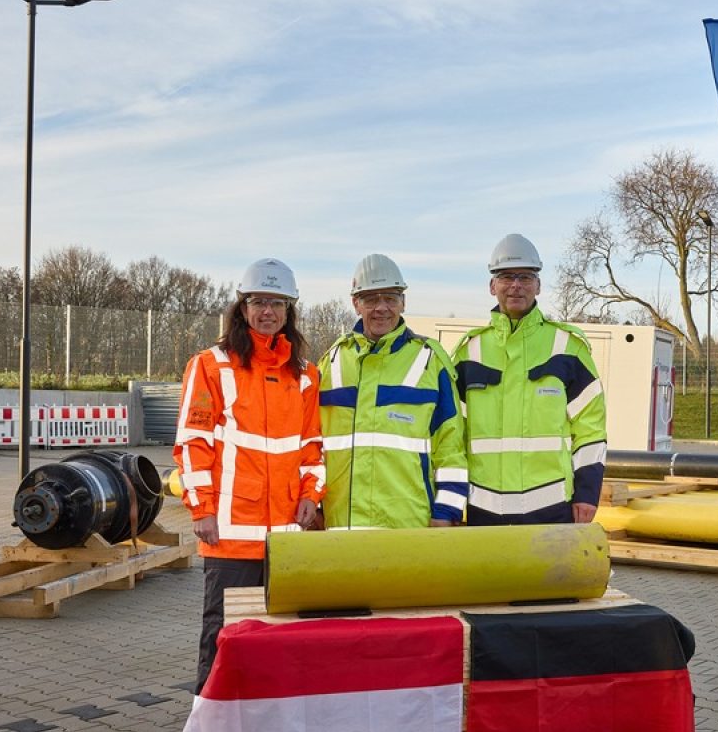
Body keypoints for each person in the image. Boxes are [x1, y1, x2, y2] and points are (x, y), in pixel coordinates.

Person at [173, 258, 323, 692]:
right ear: (242, 307)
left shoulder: (306, 375)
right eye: (258, 301)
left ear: (288, 311)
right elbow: (192, 442)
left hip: (286, 535)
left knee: (279, 633)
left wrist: (313, 494)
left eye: (277, 303)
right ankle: (213, 719)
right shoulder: (211, 365)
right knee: (223, 633)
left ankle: (268, 717)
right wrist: (200, 509)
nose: (267, 311)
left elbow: (312, 446)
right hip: (230, 533)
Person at [454, 234, 607, 525]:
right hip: (482, 508)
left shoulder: (568, 347)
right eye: (506, 277)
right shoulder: (467, 353)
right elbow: (450, 436)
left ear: (538, 285)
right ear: (492, 286)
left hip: (551, 506)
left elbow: (591, 430)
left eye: (525, 277)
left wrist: (587, 494)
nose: (515, 285)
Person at [318, 254, 467, 530]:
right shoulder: (332, 362)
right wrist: (314, 506)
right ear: (356, 303)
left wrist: (446, 510)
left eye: (390, 298)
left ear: (403, 302)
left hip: (409, 528)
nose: (381, 308)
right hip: (339, 528)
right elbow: (313, 444)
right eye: (371, 299)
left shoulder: (430, 361)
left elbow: (451, 446)